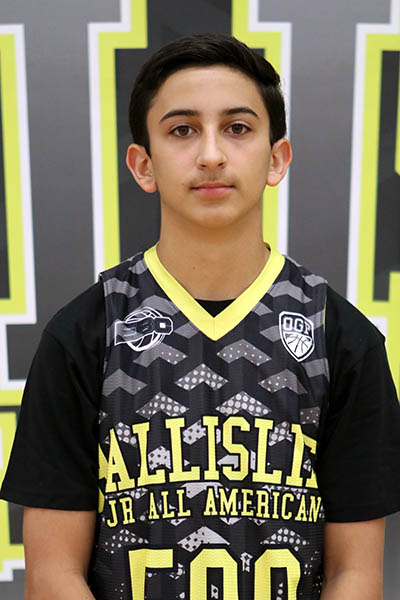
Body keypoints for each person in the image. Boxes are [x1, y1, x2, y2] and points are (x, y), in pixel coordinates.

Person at [1, 33, 400, 600]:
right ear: (143, 165)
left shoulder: (340, 337)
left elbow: (354, 574)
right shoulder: (86, 333)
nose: (211, 154)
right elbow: (51, 576)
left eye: (237, 127)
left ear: (276, 158)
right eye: (182, 130)